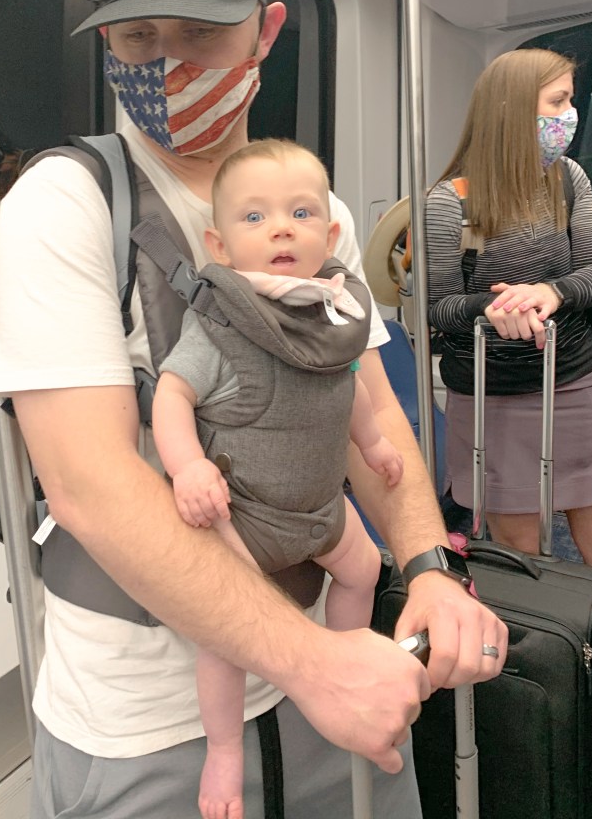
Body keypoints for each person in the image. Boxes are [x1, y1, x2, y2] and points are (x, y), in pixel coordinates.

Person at [0, 0, 506, 819]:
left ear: (265, 32)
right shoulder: (64, 206)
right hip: (150, 722)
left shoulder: (314, 211)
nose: (167, 64)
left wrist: (428, 562)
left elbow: (369, 407)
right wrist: (314, 665)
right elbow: (91, 485)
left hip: (333, 671)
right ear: (107, 42)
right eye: (138, 37)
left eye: (200, 32)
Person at [154, 138, 403, 818]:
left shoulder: (331, 310)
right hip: (246, 517)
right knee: (225, 634)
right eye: (255, 217)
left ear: (331, 235)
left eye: (300, 213)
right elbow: (172, 395)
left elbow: (347, 386)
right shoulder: (221, 322)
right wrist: (188, 466)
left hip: (321, 507)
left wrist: (374, 443)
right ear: (220, 244)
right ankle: (224, 751)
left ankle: (344, 660)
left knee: (364, 571)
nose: (282, 229)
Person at [425, 47, 592, 708]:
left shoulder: (567, 181)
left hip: (574, 381)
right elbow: (436, 306)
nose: (570, 116)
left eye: (569, 101)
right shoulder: (448, 202)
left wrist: (549, 292)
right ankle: (562, 680)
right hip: (495, 399)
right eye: (557, 102)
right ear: (513, 110)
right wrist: (490, 308)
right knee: (526, 552)